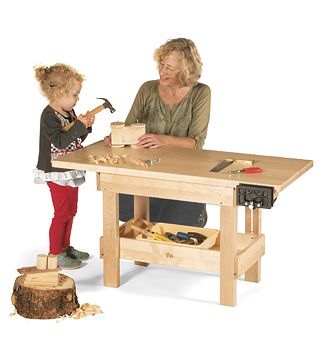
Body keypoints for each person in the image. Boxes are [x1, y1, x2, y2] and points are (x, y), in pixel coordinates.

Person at [105, 38, 211, 227]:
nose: (162, 71)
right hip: (146, 170)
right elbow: (128, 127)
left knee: (177, 227)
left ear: (185, 70)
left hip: (182, 173)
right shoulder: (147, 89)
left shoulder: (201, 93)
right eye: (162, 64)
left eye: (170, 68)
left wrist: (162, 140)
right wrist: (117, 137)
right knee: (139, 221)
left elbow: (196, 143)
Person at [33, 63, 95, 269]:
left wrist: (86, 126)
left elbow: (76, 139)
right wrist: (79, 125)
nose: (77, 99)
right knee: (61, 213)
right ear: (59, 93)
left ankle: (66, 247)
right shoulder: (49, 116)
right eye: (75, 95)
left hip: (69, 168)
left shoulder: (69, 111)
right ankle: (55, 252)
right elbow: (60, 141)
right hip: (55, 171)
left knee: (71, 211)